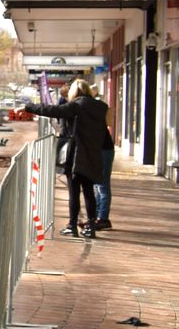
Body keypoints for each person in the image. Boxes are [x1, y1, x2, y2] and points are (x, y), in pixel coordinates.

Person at [25, 79, 108, 239]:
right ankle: (91, 226)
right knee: (89, 192)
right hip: (92, 154)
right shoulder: (99, 108)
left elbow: (52, 110)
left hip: (75, 155)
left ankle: (72, 225)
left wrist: (30, 107)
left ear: (74, 92)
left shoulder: (76, 105)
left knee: (74, 192)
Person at [92, 90, 114, 230]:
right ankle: (97, 216)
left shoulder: (94, 109)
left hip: (103, 150)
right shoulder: (98, 107)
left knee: (102, 184)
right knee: (97, 185)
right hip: (101, 149)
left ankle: (103, 218)